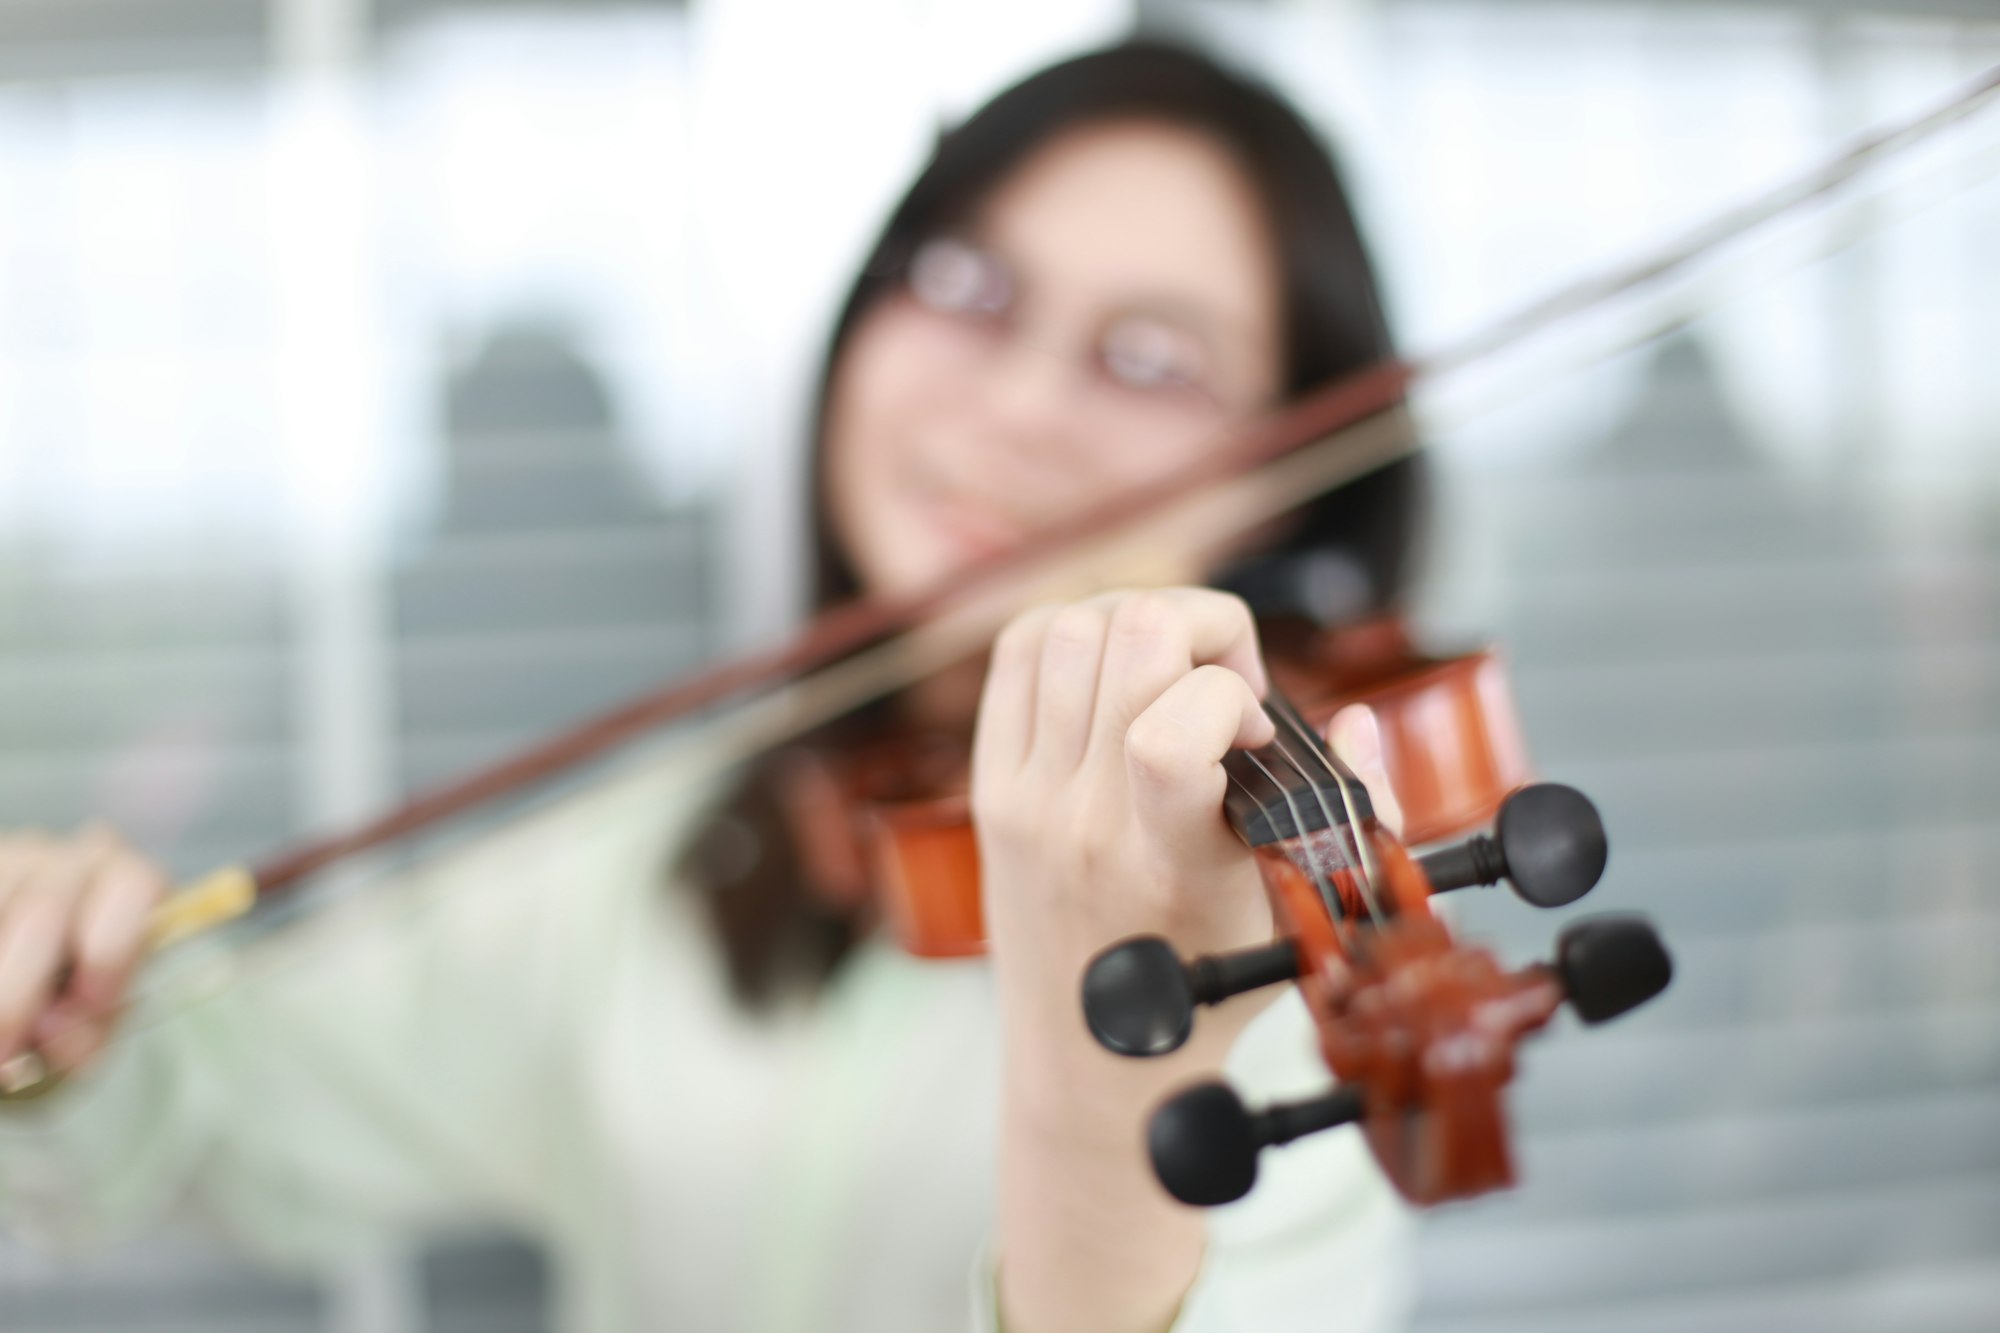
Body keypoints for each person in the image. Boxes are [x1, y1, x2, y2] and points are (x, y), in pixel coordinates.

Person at [0, 41, 1424, 1333]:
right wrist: (53, 1005)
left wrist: (1112, 1088)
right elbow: (210, 1116)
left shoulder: (1298, 925)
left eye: (1151, 358)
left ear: (1283, 490)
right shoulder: (675, 843)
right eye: (969, 287)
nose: (1019, 405)